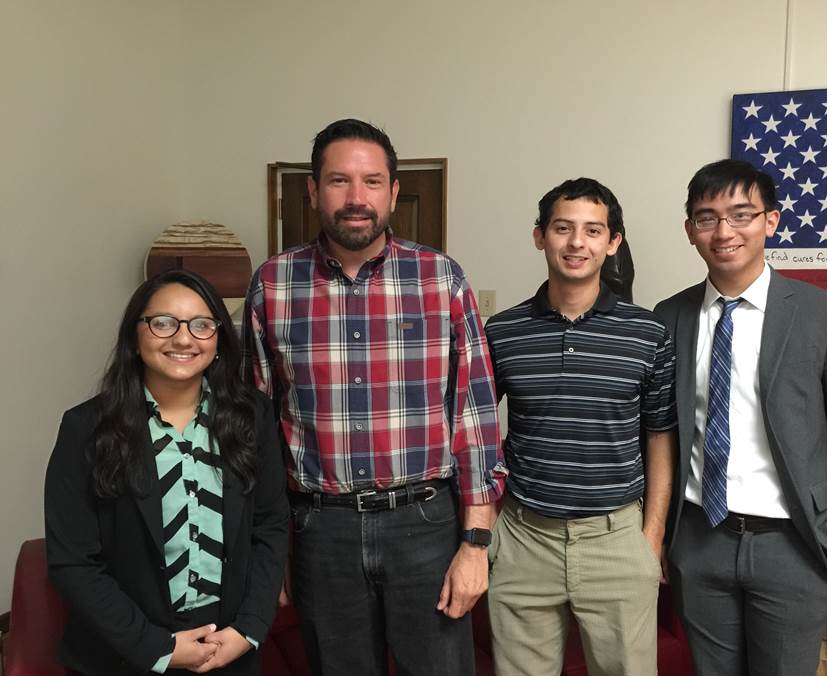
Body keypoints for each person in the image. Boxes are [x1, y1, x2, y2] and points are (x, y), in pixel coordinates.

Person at [242, 118, 505, 676]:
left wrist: (476, 543)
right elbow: (257, 426)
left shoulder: (441, 279)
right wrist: (274, 548)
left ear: (392, 191)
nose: (356, 198)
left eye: (372, 181)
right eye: (339, 181)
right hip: (321, 533)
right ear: (313, 190)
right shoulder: (273, 285)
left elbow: (475, 414)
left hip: (425, 525)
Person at [654, 159, 827, 675]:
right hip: (699, 540)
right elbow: (661, 432)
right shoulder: (668, 317)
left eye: (741, 215)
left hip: (795, 547)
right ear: (690, 230)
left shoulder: (823, 314)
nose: (724, 231)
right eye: (707, 217)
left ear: (771, 222)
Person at [45, 269, 289, 675]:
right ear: (134, 336)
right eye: (162, 323)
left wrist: (248, 630)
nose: (182, 338)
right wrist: (157, 648)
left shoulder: (253, 418)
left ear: (218, 339)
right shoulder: (85, 429)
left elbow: (271, 526)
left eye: (201, 324)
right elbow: (74, 562)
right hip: (124, 654)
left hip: (228, 648)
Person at [484, 177, 677, 676]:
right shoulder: (502, 332)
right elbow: (475, 431)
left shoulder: (647, 333)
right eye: (563, 228)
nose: (577, 242)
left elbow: (660, 435)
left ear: (612, 243)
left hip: (615, 538)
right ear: (539, 236)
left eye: (593, 231)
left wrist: (651, 536)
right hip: (524, 539)